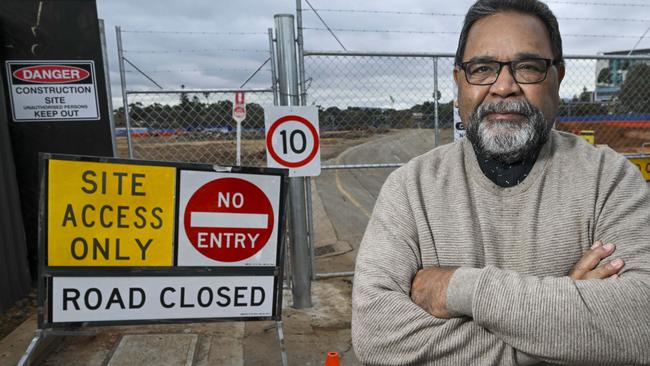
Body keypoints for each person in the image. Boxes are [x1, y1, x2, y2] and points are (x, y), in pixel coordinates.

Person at [351, 0, 650, 365]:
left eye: (528, 67)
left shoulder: (611, 179)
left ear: (558, 78)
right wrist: (564, 329)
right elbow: (376, 334)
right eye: (483, 68)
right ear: (459, 81)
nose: (504, 86)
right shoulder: (410, 188)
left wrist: (456, 288)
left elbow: (640, 324)